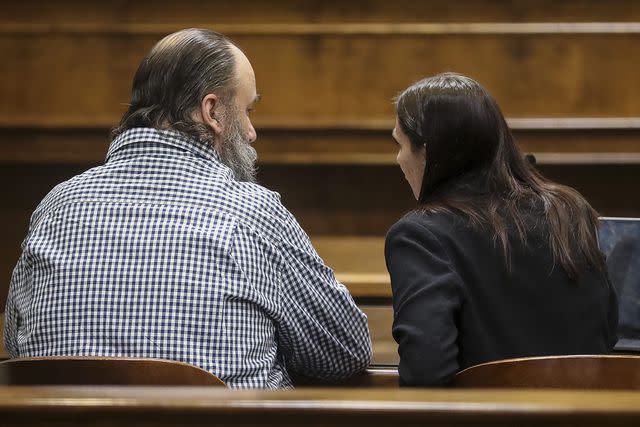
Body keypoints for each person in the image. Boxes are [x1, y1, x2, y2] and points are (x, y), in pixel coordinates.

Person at [4, 28, 371, 389]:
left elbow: (15, 344)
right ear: (211, 111)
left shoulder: (56, 206)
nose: (251, 131)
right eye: (247, 111)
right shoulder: (253, 215)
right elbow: (344, 352)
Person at [386, 72, 618, 387]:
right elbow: (606, 333)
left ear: (426, 151)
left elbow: (426, 376)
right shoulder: (571, 212)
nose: (399, 159)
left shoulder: (420, 236)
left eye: (400, 144)